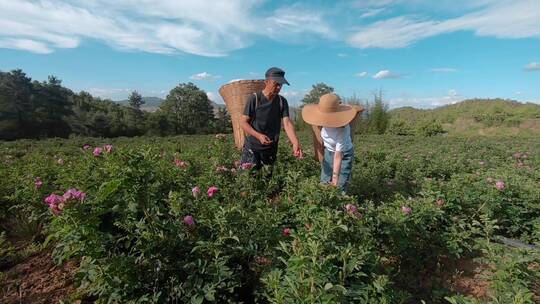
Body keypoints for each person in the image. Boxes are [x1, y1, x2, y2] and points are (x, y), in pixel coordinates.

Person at [239, 67, 303, 174]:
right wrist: (259, 135)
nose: (278, 87)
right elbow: (243, 122)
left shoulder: (282, 101)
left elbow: (287, 123)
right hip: (253, 148)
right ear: (266, 82)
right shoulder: (255, 99)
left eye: (281, 85)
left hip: (271, 149)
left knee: (267, 181)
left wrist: (295, 143)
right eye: (276, 84)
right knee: (247, 179)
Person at [301, 93, 358, 192]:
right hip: (329, 152)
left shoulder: (342, 129)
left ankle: (342, 203)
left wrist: (335, 180)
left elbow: (338, 156)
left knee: (341, 184)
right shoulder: (321, 120)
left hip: (344, 155)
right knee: (324, 180)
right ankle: (326, 203)